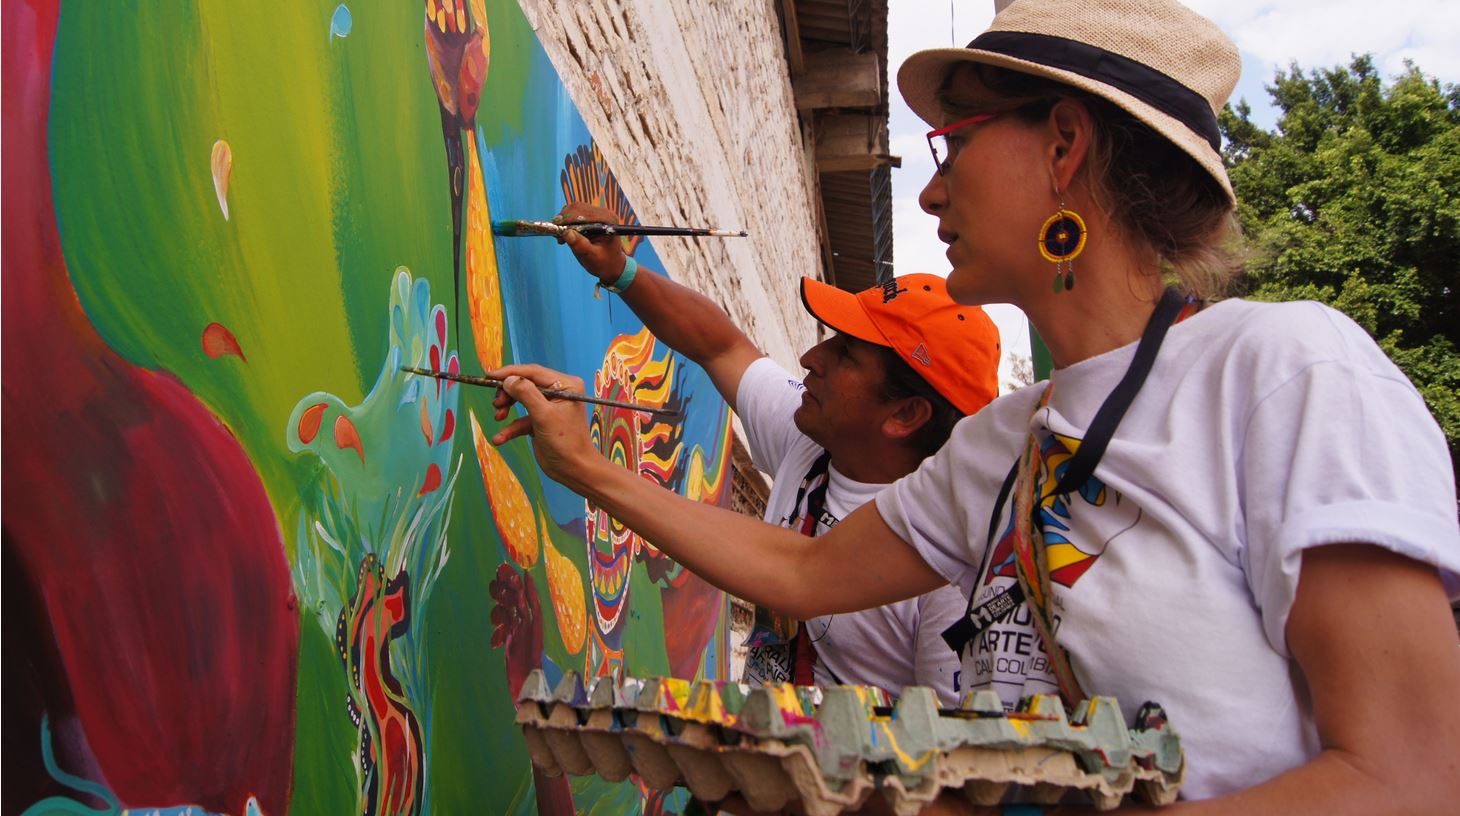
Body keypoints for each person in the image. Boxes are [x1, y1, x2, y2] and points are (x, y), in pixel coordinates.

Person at [490, 0, 1460, 811]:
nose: (928, 194)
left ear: (1064, 147)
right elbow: (801, 570)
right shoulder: (1005, 444)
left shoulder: (1282, 372)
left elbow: (1408, 777)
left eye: (949, 146)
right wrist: (581, 466)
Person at [524, 202, 1002, 702]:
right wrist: (621, 271)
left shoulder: (949, 568)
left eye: (846, 355)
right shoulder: (813, 439)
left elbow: (945, 749)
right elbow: (722, 347)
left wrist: (582, 465)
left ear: (904, 415)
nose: (811, 358)